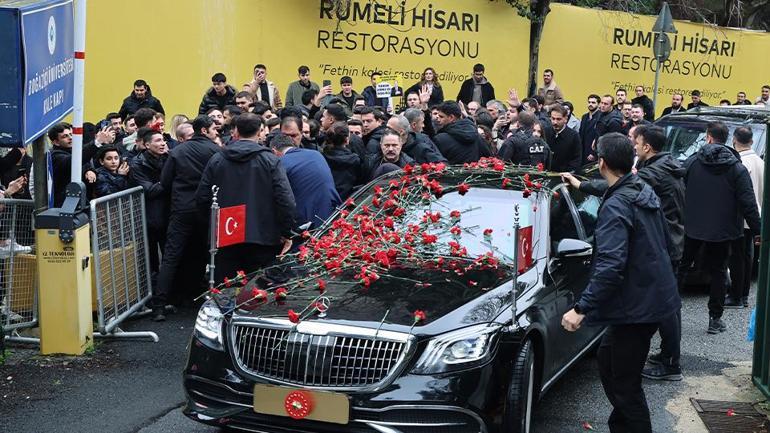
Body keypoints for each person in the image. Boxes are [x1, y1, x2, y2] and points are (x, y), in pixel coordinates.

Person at [561, 132, 681, 433]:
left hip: (638, 305)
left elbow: (611, 266)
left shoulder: (617, 207)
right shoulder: (639, 187)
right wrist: (581, 184)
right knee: (608, 361)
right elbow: (612, 187)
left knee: (625, 385)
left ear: (601, 162)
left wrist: (581, 308)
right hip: (650, 298)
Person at [678, 121, 760, 334]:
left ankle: (668, 311)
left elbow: (677, 188)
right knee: (719, 273)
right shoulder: (736, 168)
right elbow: (748, 203)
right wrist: (758, 231)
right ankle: (715, 319)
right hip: (723, 230)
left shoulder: (693, 162)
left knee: (681, 269)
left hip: (692, 226)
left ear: (708, 137)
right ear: (727, 138)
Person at [197, 114, 294, 282]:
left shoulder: (218, 158)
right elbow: (285, 198)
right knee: (259, 289)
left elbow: (202, 196)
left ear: (235, 131)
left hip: (226, 233)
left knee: (226, 287)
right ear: (259, 132)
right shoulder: (270, 160)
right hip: (263, 234)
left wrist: (213, 226)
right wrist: (286, 230)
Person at [152, 115, 221, 321]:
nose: (216, 131)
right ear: (204, 131)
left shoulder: (177, 151)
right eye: (213, 129)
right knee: (204, 252)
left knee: (171, 256)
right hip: (208, 208)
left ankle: (160, 305)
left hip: (182, 208)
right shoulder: (216, 152)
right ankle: (195, 296)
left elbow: (165, 182)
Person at [270, 133, 340, 228]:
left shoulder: (281, 163)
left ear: (274, 151)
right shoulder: (316, 154)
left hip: (307, 221)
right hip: (333, 213)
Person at [727, 127, 763, 308]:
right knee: (747, 257)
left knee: (737, 258)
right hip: (756, 216)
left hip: (741, 216)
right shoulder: (760, 162)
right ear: (751, 140)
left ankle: (737, 295)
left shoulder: (740, 163)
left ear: (734, 140)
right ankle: (744, 295)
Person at [129, 128, 169, 293]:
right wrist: (167, 182)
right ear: (146, 145)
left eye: (163, 140)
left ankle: (168, 292)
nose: (163, 143)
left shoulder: (169, 157)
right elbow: (149, 190)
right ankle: (151, 293)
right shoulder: (137, 164)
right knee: (150, 258)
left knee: (169, 256)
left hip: (168, 214)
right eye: (158, 141)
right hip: (148, 217)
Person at [48, 123, 97, 207]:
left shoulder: (73, 149)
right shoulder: (55, 156)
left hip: (80, 201)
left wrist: (89, 170)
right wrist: (97, 143)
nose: (70, 138)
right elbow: (72, 161)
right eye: (65, 136)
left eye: (71, 134)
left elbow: (84, 162)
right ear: (56, 142)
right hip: (66, 204)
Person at [322, 122, 363, 199]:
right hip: (347, 199)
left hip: (327, 196)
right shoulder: (354, 160)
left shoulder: (322, 156)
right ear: (347, 140)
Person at [547, 105, 582, 172]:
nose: (555, 122)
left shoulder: (574, 136)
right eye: (553, 118)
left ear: (565, 119)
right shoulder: (546, 132)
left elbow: (576, 159)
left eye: (558, 119)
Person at [579, 94, 601, 164]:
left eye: (593, 102)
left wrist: (594, 153)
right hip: (582, 151)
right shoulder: (584, 117)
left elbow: (599, 136)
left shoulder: (600, 117)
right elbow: (580, 133)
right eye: (589, 102)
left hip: (592, 152)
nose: (590, 104)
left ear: (598, 104)